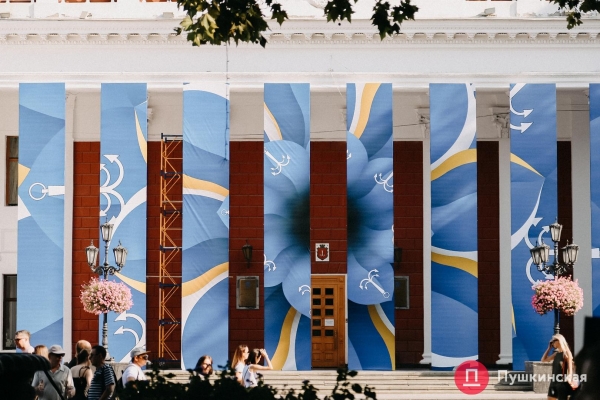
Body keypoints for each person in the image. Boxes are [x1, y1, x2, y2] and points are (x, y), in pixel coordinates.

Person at [542, 334, 574, 400]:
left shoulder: (567, 353)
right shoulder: (556, 353)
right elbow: (543, 360)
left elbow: (570, 371)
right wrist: (549, 348)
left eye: (553, 341)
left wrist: (569, 380)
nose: (552, 343)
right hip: (553, 382)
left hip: (562, 383)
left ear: (559, 341)